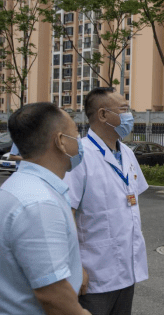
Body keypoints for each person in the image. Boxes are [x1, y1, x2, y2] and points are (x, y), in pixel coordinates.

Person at [64, 87, 149, 315]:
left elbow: (130, 204)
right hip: (93, 275)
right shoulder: (79, 155)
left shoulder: (128, 154)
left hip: (127, 270)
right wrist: (75, 266)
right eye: (124, 109)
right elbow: (66, 214)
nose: (130, 115)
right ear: (102, 115)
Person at [0, 102, 89, 314]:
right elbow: (53, 295)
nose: (79, 141)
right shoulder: (39, 203)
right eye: (75, 133)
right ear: (60, 141)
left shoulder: (17, 186)